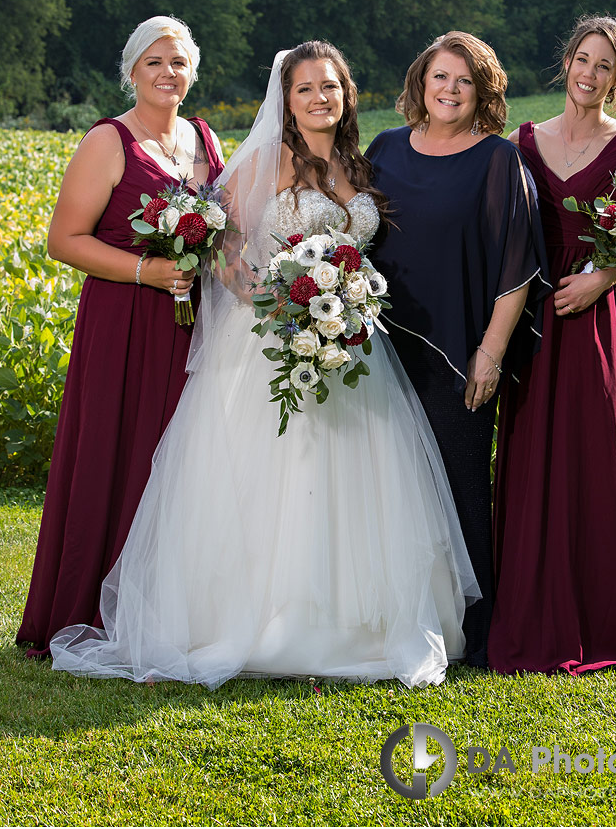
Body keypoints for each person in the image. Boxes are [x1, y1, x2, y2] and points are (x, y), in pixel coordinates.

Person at [50, 41, 478, 689]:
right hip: (275, 342)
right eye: (305, 89)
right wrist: (268, 295)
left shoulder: (353, 163)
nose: (318, 99)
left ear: (346, 94)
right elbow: (221, 243)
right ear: (287, 98)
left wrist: (342, 299)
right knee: (283, 475)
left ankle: (357, 620)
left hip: (351, 343)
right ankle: (275, 621)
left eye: (330, 87)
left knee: (359, 478)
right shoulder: (269, 160)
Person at [488, 14, 616, 674]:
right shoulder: (522, 141)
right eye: (583, 59)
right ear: (566, 62)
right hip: (530, 322)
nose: (590, 74)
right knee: (527, 460)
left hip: (588, 327)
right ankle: (527, 607)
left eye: (604, 65)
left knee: (589, 462)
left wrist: (599, 280)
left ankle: (600, 612)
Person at [17, 16, 225, 658]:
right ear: (132, 71)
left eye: (179, 63)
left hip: (194, 324)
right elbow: (64, 241)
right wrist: (146, 271)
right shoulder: (108, 142)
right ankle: (90, 605)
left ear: (192, 74)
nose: (168, 74)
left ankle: (169, 604)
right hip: (124, 322)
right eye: (154, 62)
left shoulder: (206, 138)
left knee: (180, 457)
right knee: (119, 449)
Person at [365, 31, 550, 668]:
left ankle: (474, 631)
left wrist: (490, 355)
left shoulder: (497, 161)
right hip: (380, 348)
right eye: (440, 77)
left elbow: (515, 268)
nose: (449, 90)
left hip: (457, 355)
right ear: (420, 82)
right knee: (391, 489)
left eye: (464, 81)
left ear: (483, 94)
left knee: (463, 489)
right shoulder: (385, 149)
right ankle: (395, 617)